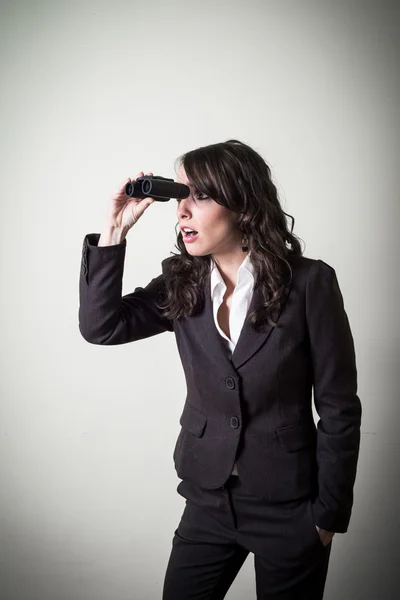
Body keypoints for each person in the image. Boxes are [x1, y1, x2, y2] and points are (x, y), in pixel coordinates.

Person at [78, 139, 361, 599]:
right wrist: (113, 230)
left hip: (289, 506)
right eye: (180, 196)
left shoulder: (310, 284)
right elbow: (101, 326)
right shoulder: (181, 282)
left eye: (200, 196)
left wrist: (327, 516)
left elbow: (339, 407)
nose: (182, 211)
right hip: (207, 499)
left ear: (244, 206)